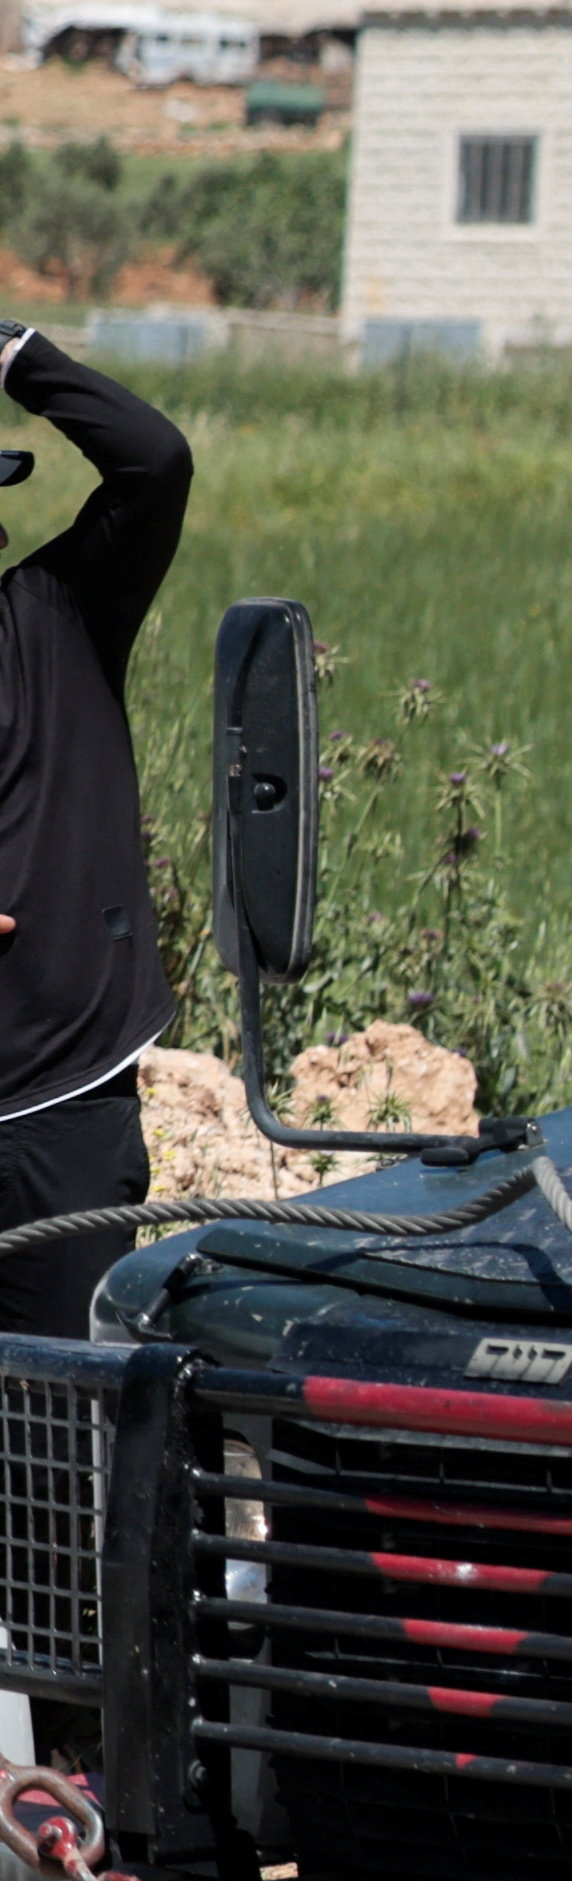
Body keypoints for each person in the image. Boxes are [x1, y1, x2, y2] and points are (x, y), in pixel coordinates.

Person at [0, 326, 191, 1339]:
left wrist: (19, 359)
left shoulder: (56, 614)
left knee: (63, 1434)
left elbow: (154, 460)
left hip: (55, 1104)